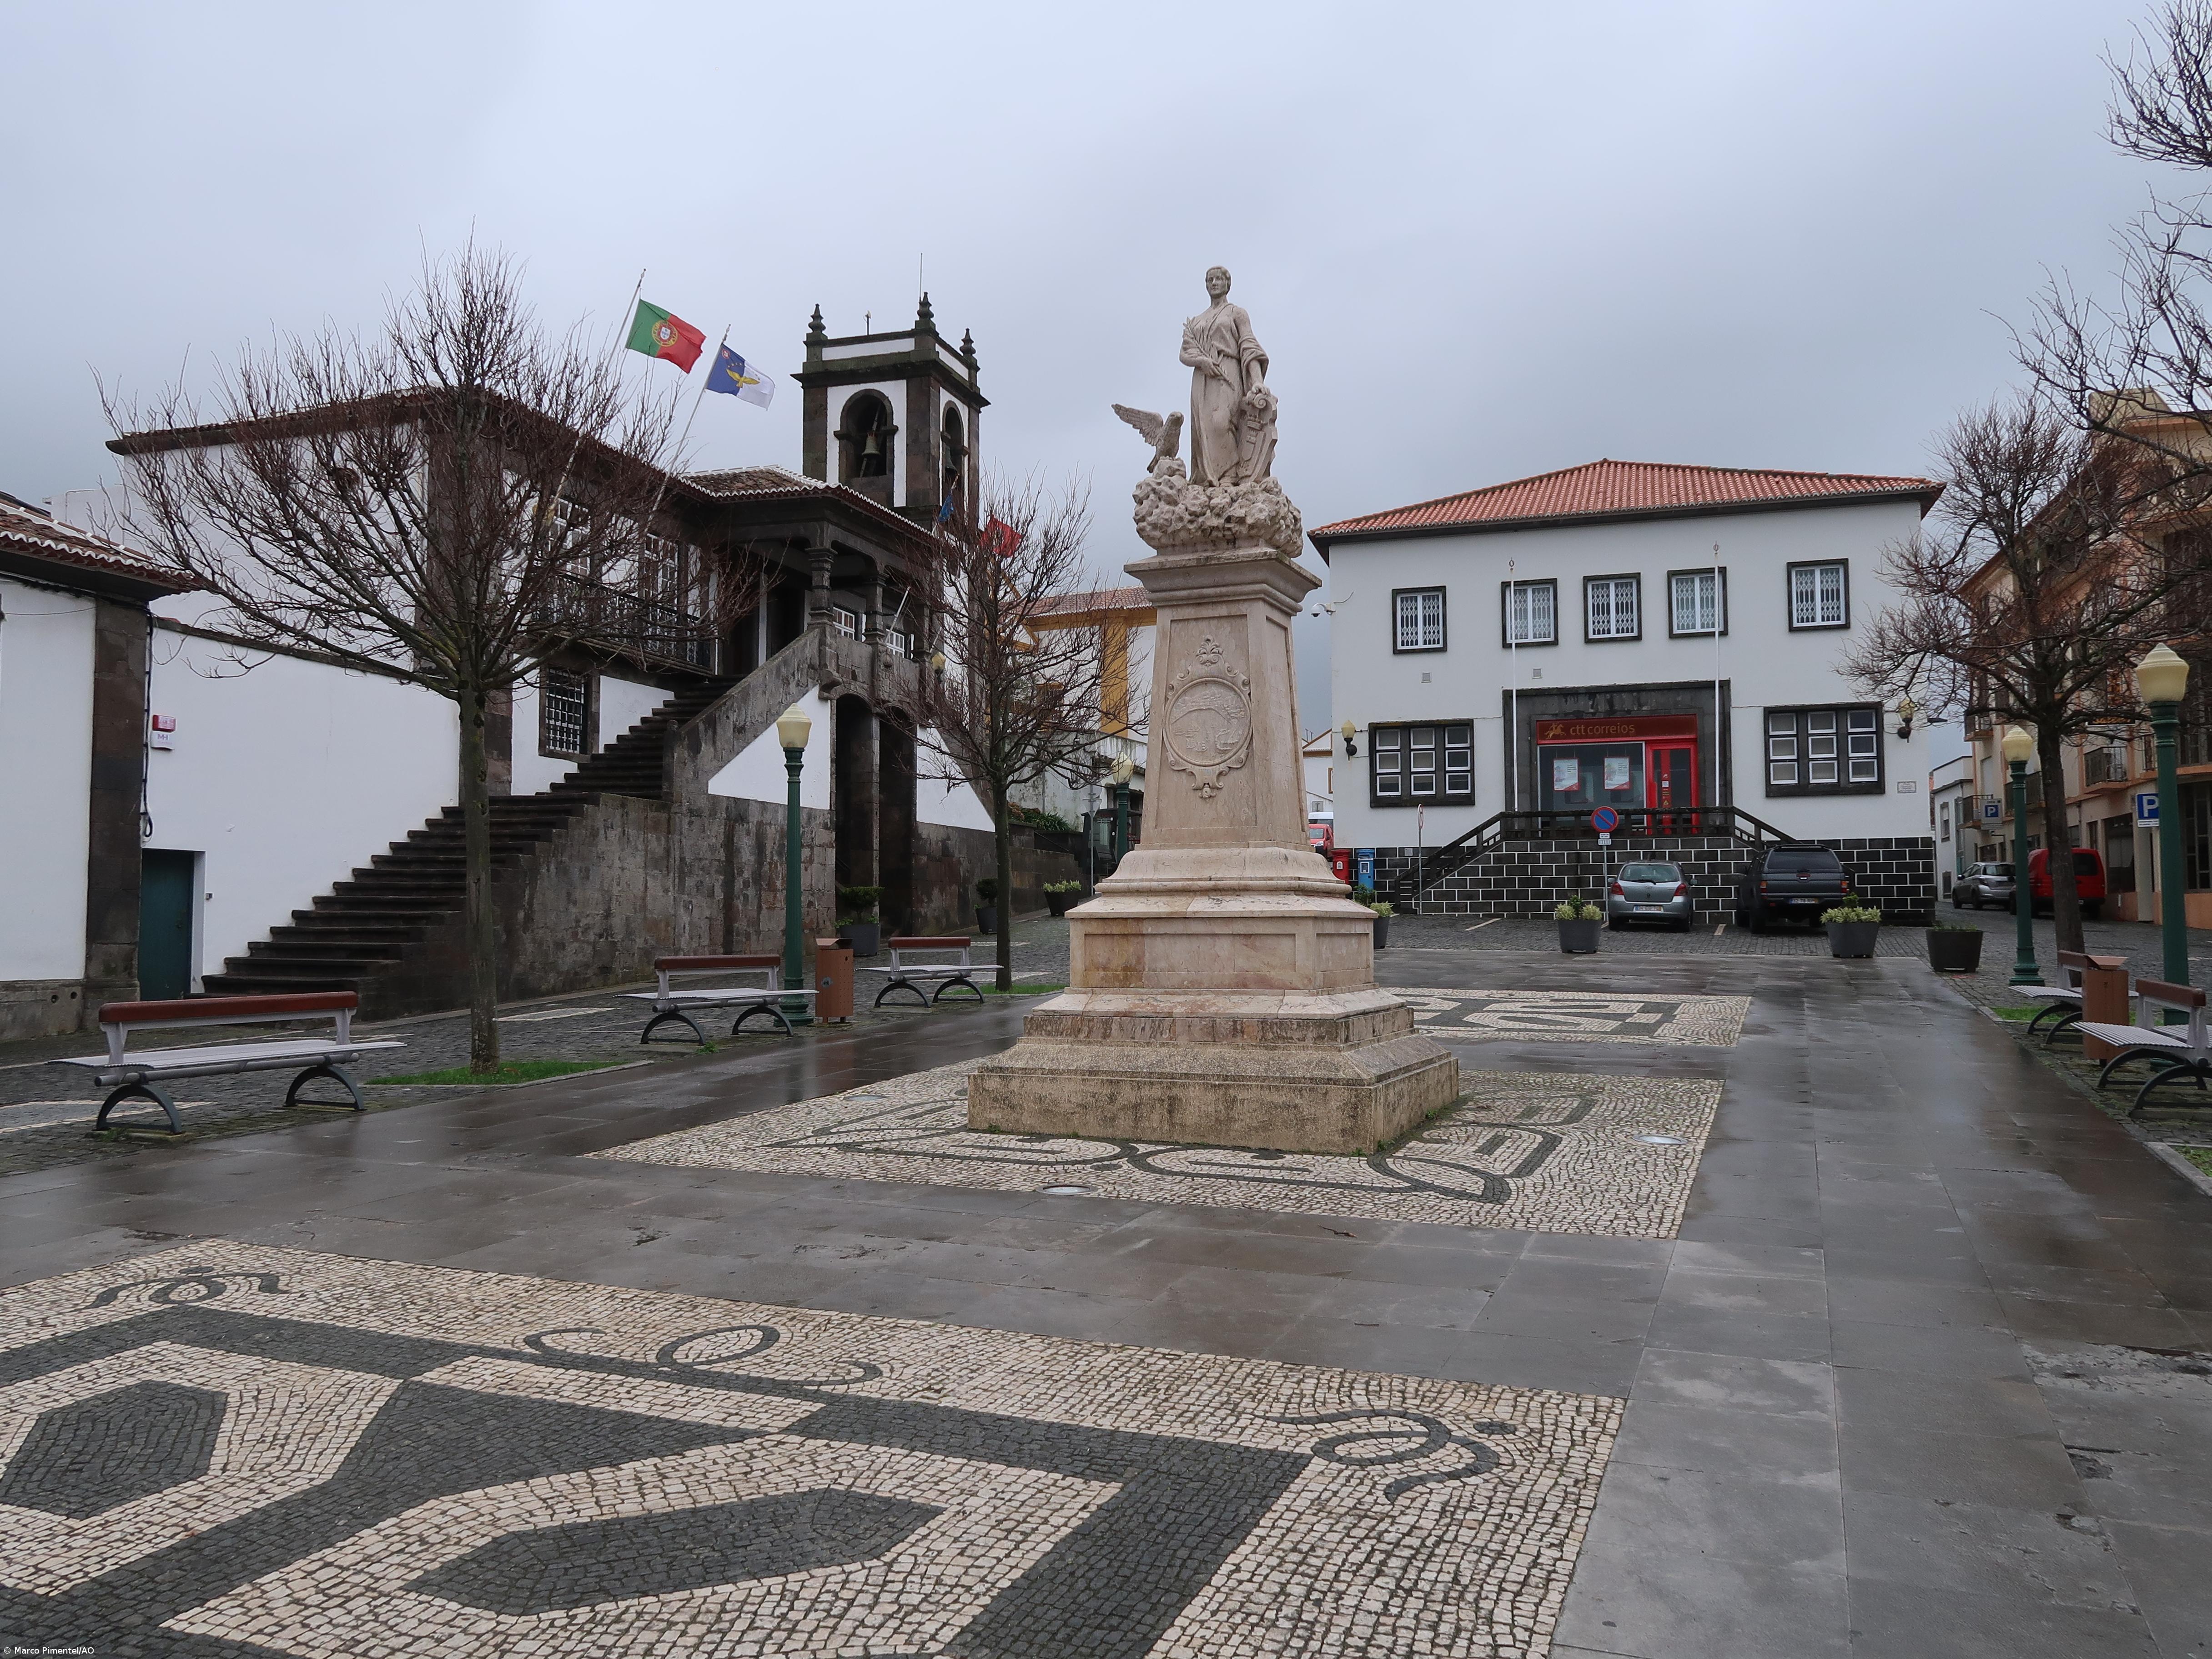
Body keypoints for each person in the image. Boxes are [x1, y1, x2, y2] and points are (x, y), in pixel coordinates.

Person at [1179, 266, 1275, 484]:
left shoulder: (1236, 313)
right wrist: (1202, 361)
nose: (1214, 283)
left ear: (1227, 284)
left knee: (1222, 422)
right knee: (1203, 428)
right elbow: (1184, 353)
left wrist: (1257, 381)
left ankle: (1230, 475)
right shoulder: (1196, 321)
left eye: (1218, 279)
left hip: (1228, 370)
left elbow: (1248, 346)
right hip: (1203, 377)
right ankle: (1209, 480)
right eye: (1209, 280)